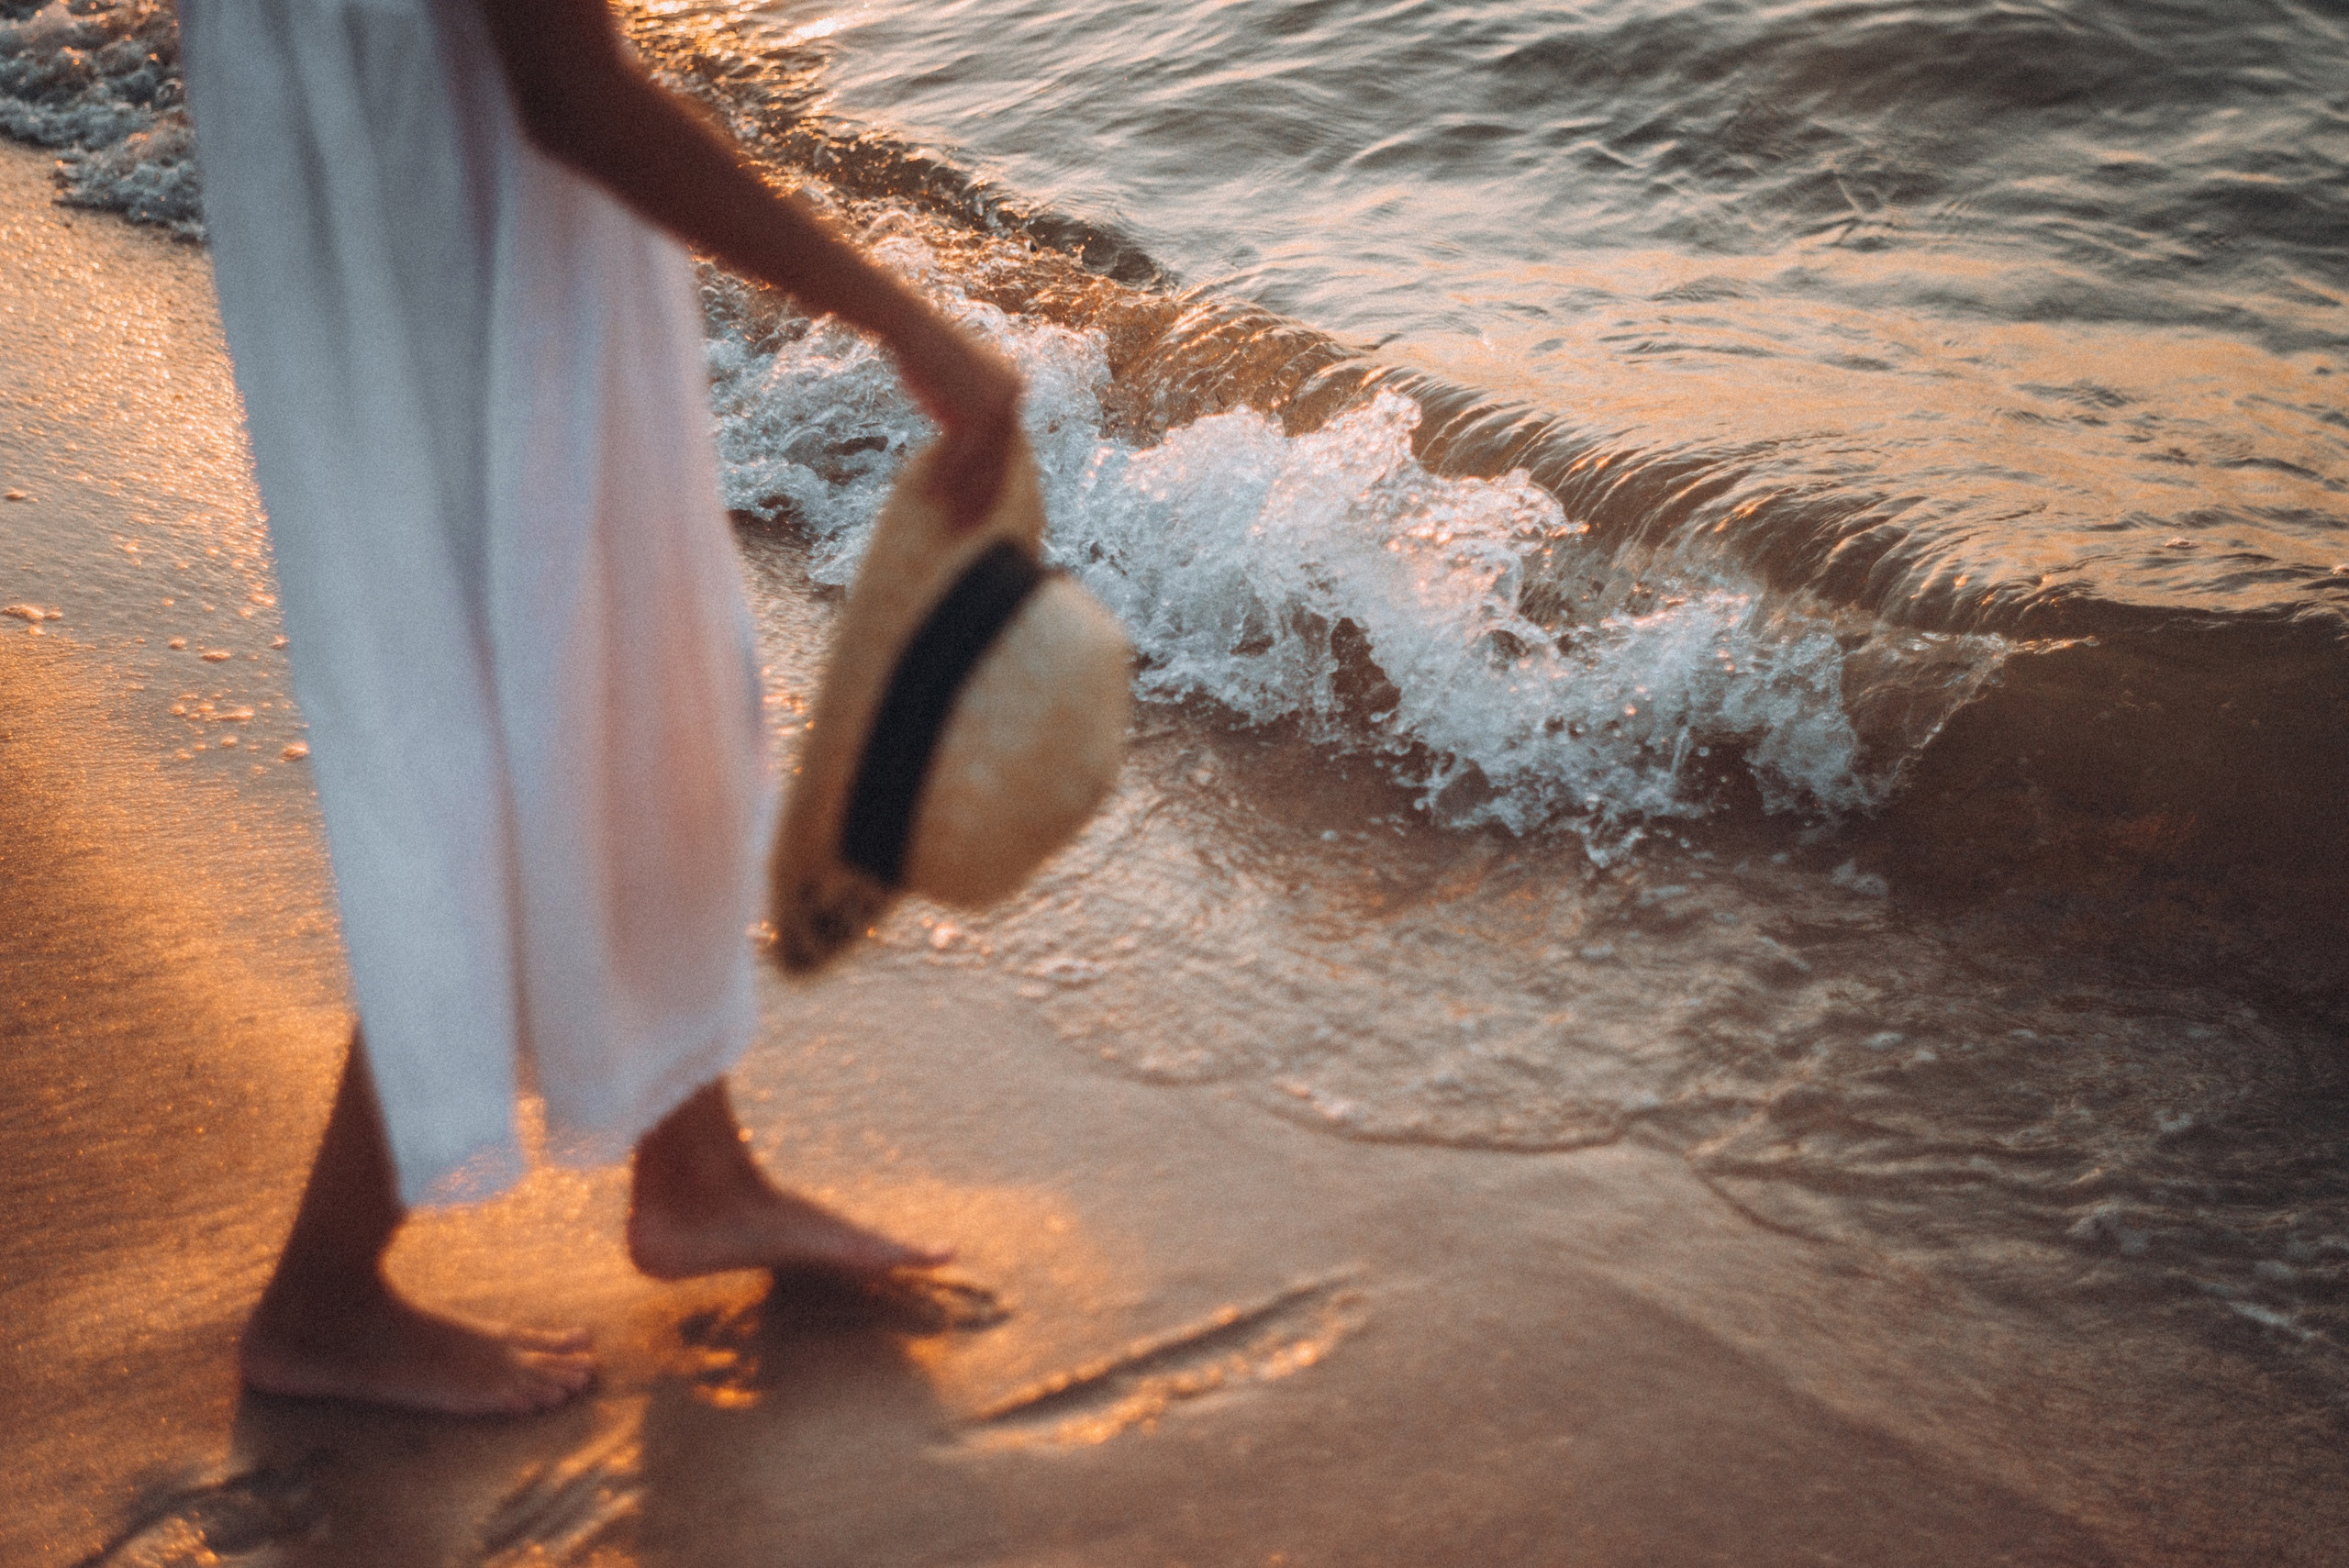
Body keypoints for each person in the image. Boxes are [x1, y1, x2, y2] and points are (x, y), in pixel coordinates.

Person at [178, 0, 1023, 1415]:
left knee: (637, 667)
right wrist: (903, 318)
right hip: (448, 229)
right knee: (516, 734)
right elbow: (567, 88)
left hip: (442, 195)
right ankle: (322, 1298)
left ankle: (697, 1166)